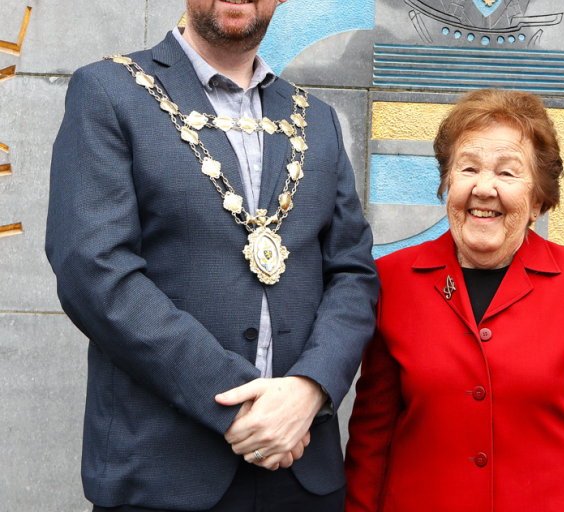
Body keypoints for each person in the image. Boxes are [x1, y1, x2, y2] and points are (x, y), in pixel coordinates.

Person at [45, 0, 379, 510]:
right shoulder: (108, 92)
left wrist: (310, 389)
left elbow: (352, 274)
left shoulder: (317, 119)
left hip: (303, 469)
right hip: (162, 473)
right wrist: (236, 403)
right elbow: (93, 271)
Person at [344, 89, 564, 511]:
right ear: (447, 184)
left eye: (507, 173)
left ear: (537, 201)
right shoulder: (393, 281)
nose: (483, 188)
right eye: (468, 168)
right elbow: (370, 440)